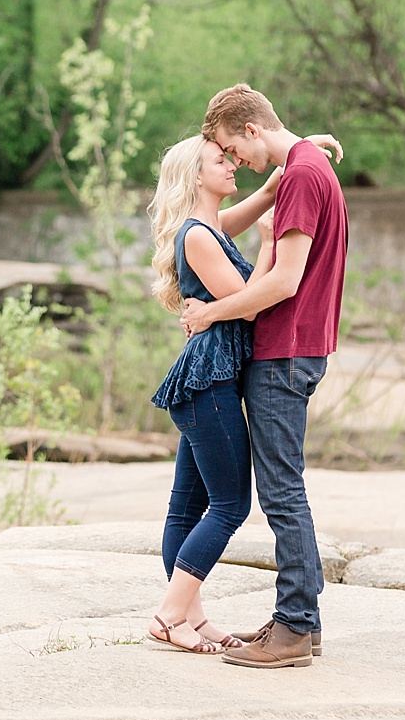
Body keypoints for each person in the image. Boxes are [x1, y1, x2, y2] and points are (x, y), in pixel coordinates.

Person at [143, 128, 341, 655]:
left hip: (205, 379)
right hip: (208, 382)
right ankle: (169, 614)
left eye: (232, 154)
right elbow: (253, 304)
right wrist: (275, 241)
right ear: (196, 176)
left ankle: (189, 617)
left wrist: (298, 145)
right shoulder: (199, 235)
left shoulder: (211, 226)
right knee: (229, 505)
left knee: (186, 507)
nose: (231, 164)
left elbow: (270, 191)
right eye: (219, 160)